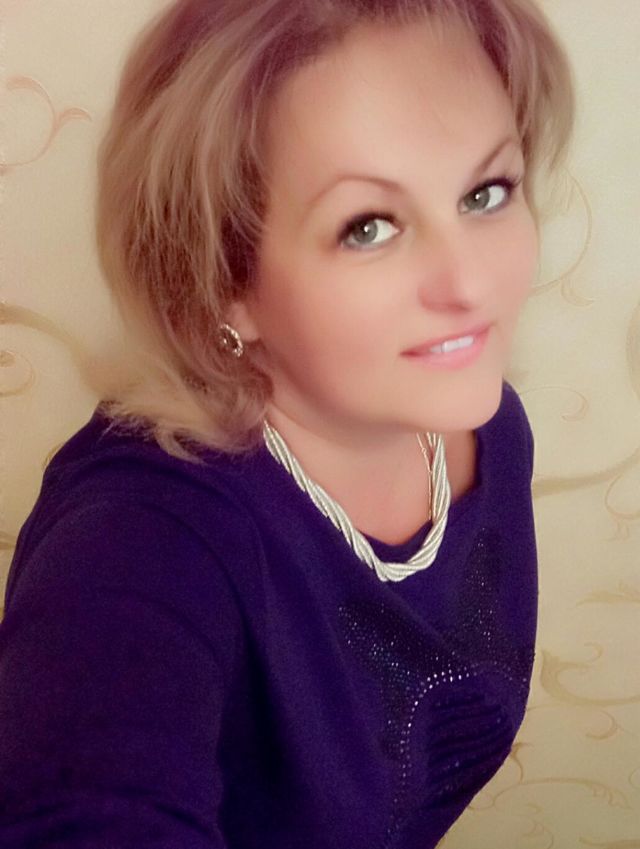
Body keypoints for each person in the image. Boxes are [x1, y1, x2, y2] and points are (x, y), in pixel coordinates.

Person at [0, 0, 576, 846]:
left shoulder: (489, 431)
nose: (470, 283)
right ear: (223, 280)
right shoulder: (143, 537)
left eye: (485, 192)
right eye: (368, 227)